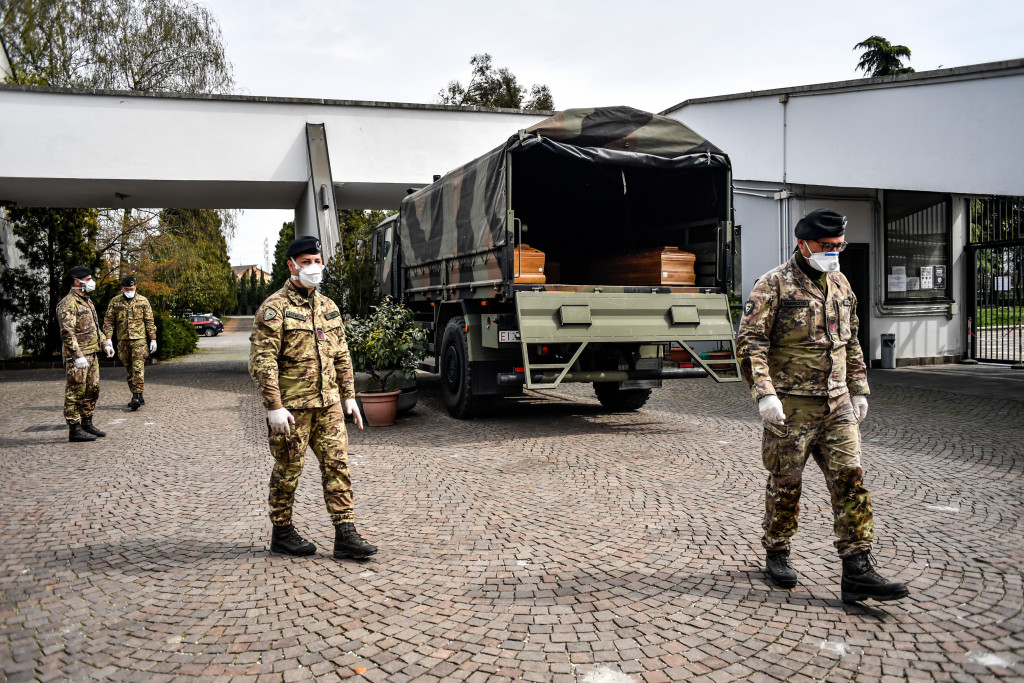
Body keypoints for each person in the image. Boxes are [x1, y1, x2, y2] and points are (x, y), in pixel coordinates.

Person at [736, 209, 909, 604]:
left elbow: (851, 340)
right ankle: (777, 549)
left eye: (839, 246)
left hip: (837, 404)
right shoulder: (773, 285)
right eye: (827, 247)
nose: (834, 253)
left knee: (851, 480)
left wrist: (859, 387)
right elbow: (751, 343)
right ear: (803, 244)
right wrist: (764, 393)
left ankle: (857, 569)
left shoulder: (840, 283)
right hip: (791, 406)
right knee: (786, 483)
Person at [248, 235, 376, 560]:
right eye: (306, 262)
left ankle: (345, 534)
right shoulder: (274, 308)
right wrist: (273, 406)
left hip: (329, 404)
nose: (314, 267)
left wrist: (349, 396)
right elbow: (262, 361)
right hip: (293, 407)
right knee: (289, 469)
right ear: (291, 265)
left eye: (317, 261)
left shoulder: (328, 306)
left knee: (338, 466)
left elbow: (341, 354)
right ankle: (282, 531)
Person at [57, 266, 115, 442]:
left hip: (93, 353)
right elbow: (67, 332)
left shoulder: (87, 301)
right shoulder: (68, 303)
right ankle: (74, 429)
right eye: (88, 279)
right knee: (75, 391)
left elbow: (95, 328)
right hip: (79, 357)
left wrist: (105, 343)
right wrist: (77, 354)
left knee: (92, 390)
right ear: (77, 281)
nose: (91, 282)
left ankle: (87, 422)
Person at [103, 276, 158, 411]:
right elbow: (109, 321)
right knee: (129, 369)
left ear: (136, 287)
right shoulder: (115, 302)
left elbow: (149, 321)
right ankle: (138, 394)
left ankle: (136, 395)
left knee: (138, 367)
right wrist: (108, 339)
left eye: (132, 289)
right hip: (123, 341)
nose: (129, 291)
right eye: (127, 289)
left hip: (139, 340)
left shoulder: (143, 301)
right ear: (122, 288)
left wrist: (153, 339)